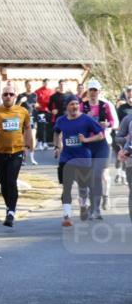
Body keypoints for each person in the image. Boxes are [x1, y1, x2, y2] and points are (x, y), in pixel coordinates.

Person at [54, 95, 104, 226]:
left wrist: (86, 140)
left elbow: (100, 135)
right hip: (66, 158)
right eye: (72, 104)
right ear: (66, 107)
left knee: (83, 187)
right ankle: (67, 216)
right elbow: (56, 132)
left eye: (77, 103)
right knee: (67, 187)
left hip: (83, 158)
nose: (75, 106)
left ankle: (83, 205)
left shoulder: (86, 119)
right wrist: (56, 147)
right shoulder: (61, 120)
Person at [0, 84, 34, 227]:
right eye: (5, 94)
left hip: (17, 151)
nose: (8, 97)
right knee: (3, 183)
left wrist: (28, 146)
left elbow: (27, 129)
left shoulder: (22, 111)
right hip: (0, 152)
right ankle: (9, 207)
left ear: (15, 96)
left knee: (11, 181)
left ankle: (11, 212)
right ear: (1, 96)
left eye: (11, 94)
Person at [81, 80, 115, 217]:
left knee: (98, 175)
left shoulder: (104, 106)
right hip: (87, 144)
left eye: (95, 90)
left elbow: (112, 122)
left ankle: (96, 208)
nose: (93, 93)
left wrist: (107, 123)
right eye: (91, 90)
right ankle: (91, 206)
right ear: (88, 92)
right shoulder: (82, 106)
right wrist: (85, 118)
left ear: (99, 92)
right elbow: (75, 121)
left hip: (102, 144)